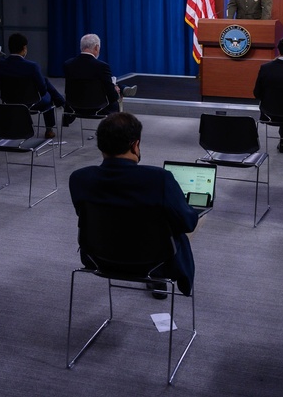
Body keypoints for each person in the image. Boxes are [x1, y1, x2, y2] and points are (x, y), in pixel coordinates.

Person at [68, 112, 198, 298]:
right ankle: (157, 278)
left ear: (100, 145)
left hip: (99, 258)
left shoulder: (79, 179)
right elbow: (188, 223)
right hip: (154, 261)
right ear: (135, 145)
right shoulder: (159, 179)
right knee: (182, 222)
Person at [0, 33, 66, 138]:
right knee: (49, 96)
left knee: (45, 81)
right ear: (24, 48)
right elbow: (42, 89)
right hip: (32, 102)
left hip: (8, 101)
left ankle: (61, 102)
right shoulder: (32, 66)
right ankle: (49, 129)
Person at [63, 34, 136, 118]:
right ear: (97, 47)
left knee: (109, 84)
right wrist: (117, 93)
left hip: (73, 106)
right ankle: (122, 89)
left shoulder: (68, 64)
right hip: (98, 108)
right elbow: (112, 97)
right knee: (115, 94)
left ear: (81, 47)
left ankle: (122, 88)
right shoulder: (102, 66)